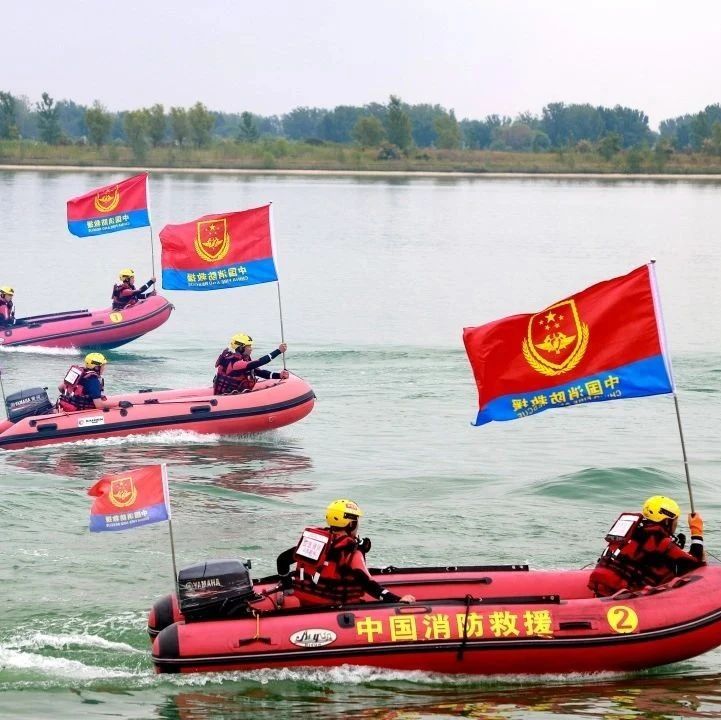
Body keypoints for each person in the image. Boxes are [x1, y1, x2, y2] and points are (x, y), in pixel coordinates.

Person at [276, 499, 416, 607]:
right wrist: (397, 599)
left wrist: (288, 587)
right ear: (351, 524)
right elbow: (367, 584)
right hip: (337, 609)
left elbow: (282, 560)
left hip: (305, 603)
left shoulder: (314, 541)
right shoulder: (351, 552)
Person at [588, 495, 705, 597]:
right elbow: (695, 562)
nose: (676, 524)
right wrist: (696, 532)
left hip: (601, 589)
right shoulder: (660, 540)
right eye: (675, 520)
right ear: (666, 521)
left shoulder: (631, 531)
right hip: (622, 598)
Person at [213, 332, 289, 395]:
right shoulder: (235, 363)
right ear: (241, 348)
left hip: (235, 395)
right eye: (248, 346)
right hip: (227, 399)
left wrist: (279, 375)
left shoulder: (243, 360)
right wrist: (278, 351)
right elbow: (260, 362)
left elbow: (259, 372)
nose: (251, 349)